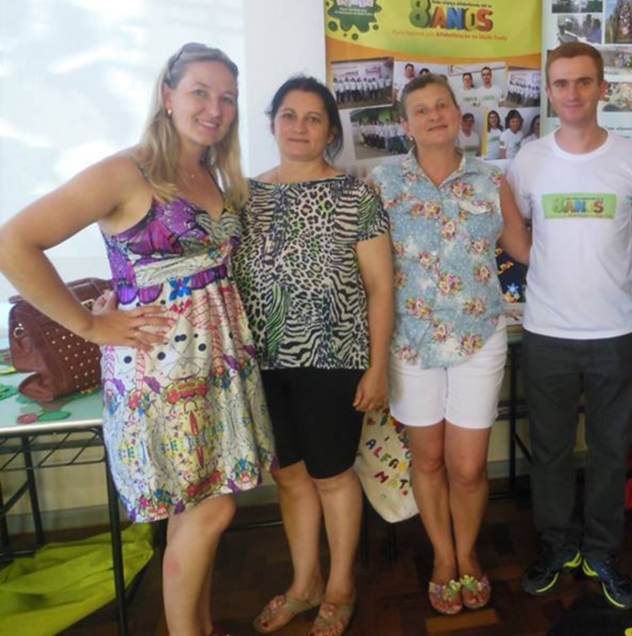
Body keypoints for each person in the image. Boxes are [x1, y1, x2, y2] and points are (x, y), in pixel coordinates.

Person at [0, 42, 276, 636]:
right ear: (167, 94)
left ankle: (195, 626)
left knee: (197, 513)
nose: (215, 107)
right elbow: (13, 242)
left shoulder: (209, 173)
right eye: (201, 91)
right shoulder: (127, 171)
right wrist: (90, 324)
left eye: (227, 97)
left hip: (216, 361)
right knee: (214, 508)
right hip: (162, 373)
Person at [235, 76, 393, 636]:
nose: (298, 127)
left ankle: (341, 585)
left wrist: (377, 368)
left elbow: (380, 287)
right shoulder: (243, 195)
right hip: (264, 362)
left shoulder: (355, 194)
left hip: (335, 358)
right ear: (272, 121)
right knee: (290, 476)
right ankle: (304, 584)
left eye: (312, 118)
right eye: (288, 115)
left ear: (330, 130)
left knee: (331, 475)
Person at [369, 74, 529, 616]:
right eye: (421, 109)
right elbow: (366, 265)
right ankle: (443, 558)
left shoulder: (490, 179)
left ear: (459, 113)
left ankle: (468, 552)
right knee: (429, 460)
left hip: (478, 337)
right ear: (405, 123)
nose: (434, 115)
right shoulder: (382, 181)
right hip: (410, 343)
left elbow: (524, 248)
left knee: (468, 467)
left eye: (442, 105)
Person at [506, 42, 632, 610]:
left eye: (584, 82)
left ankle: (602, 550)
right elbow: (516, 238)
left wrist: (615, 276)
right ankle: (556, 546)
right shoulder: (529, 161)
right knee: (548, 450)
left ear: (602, 88)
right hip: (547, 332)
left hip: (614, 333)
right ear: (549, 90)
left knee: (608, 451)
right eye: (562, 83)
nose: (572, 93)